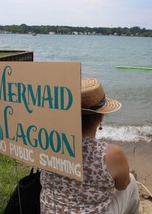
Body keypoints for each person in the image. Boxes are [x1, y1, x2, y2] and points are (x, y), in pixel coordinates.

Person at [40, 77, 140, 214]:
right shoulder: (111, 154)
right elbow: (122, 186)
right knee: (132, 181)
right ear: (101, 116)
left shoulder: (47, 143)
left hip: (49, 211)